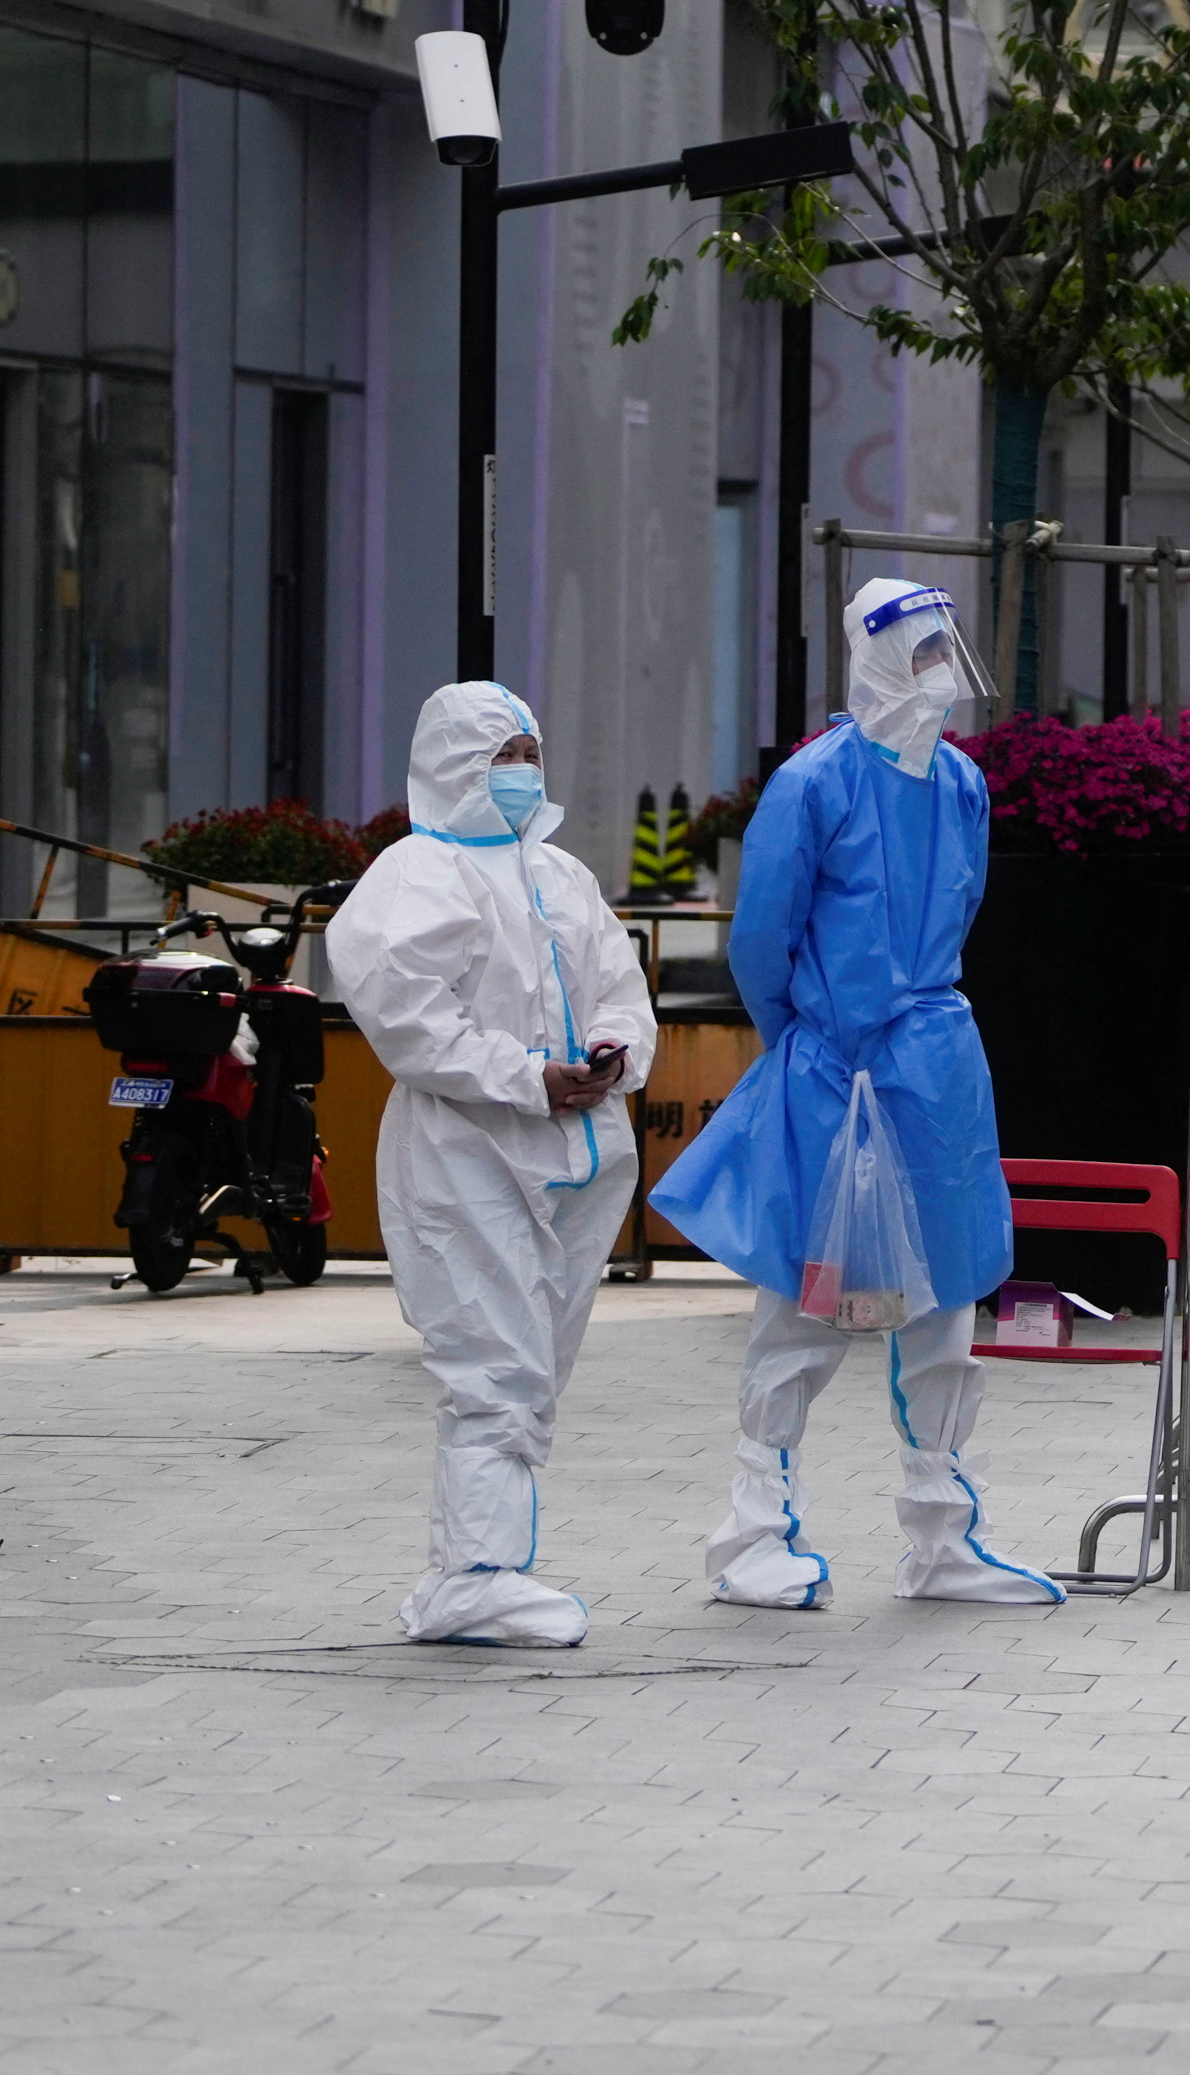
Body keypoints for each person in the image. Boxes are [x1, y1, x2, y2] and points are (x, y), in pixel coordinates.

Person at [651, 578, 1060, 1610]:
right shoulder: (815, 782)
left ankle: (943, 1529)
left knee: (949, 1299)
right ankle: (752, 1530)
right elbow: (762, 938)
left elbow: (960, 906)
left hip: (934, 1071)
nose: (938, 675)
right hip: (843, 1072)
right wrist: (810, 1051)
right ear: (877, 659)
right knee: (809, 1303)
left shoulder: (960, 784)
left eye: (943, 651)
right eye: (920, 654)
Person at [322, 681, 657, 1648]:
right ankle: (476, 1574)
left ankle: (474, 1572)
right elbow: (410, 1019)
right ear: (452, 763)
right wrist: (522, 1077)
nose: (521, 771)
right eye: (500, 754)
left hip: (577, 1151)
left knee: (535, 1366)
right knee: (493, 1365)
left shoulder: (559, 875)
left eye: (529, 751)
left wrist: (608, 1055)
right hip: (467, 1152)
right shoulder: (413, 876)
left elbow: (619, 987)